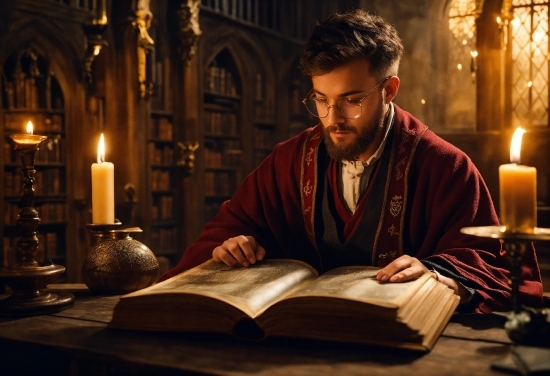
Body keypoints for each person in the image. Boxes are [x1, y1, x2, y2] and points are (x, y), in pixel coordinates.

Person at [161, 9, 546, 313]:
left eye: (351, 99)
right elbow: (225, 231)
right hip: (291, 344)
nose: (332, 118)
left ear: (389, 90)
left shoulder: (445, 167)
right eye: (320, 99)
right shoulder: (288, 160)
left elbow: (497, 270)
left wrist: (439, 274)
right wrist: (232, 246)